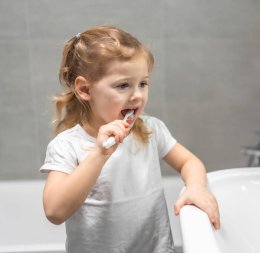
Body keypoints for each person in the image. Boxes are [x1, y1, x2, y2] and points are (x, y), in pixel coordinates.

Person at [40, 25, 220, 253]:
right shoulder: (68, 145)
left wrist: (195, 187)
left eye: (143, 83)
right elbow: (55, 211)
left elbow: (189, 162)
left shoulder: (150, 129)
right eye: (123, 85)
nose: (137, 95)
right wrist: (99, 155)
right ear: (85, 89)